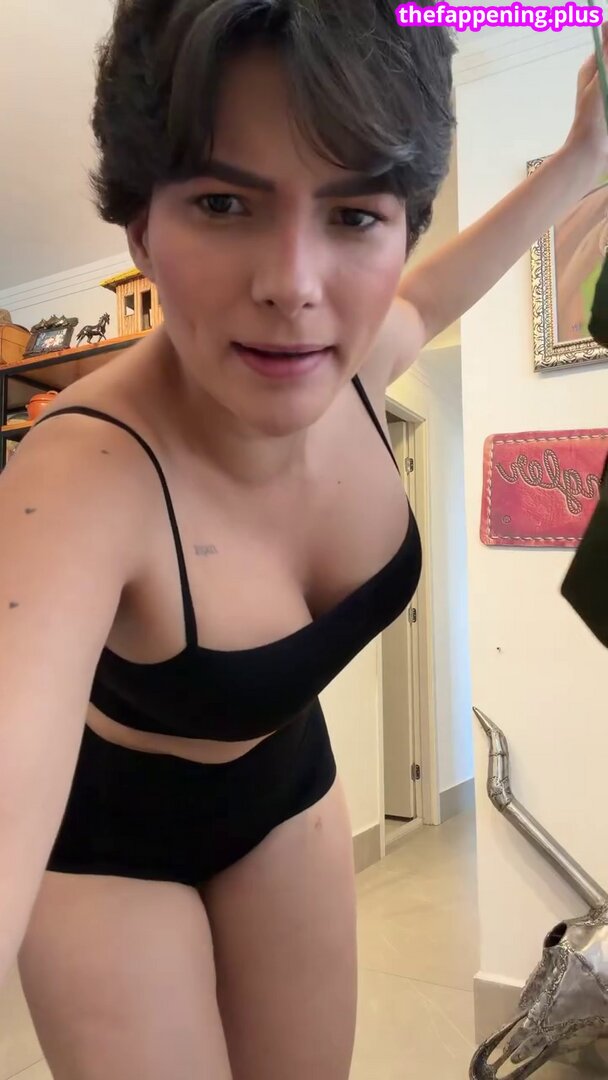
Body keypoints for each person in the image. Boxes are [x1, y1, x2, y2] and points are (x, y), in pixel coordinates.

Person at [1, 3, 607, 1078]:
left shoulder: (364, 363)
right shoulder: (77, 474)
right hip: (107, 844)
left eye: (354, 213)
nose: (293, 285)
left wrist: (581, 159)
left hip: (285, 786)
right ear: (140, 230)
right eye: (223, 202)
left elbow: (436, 289)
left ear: (400, 227)